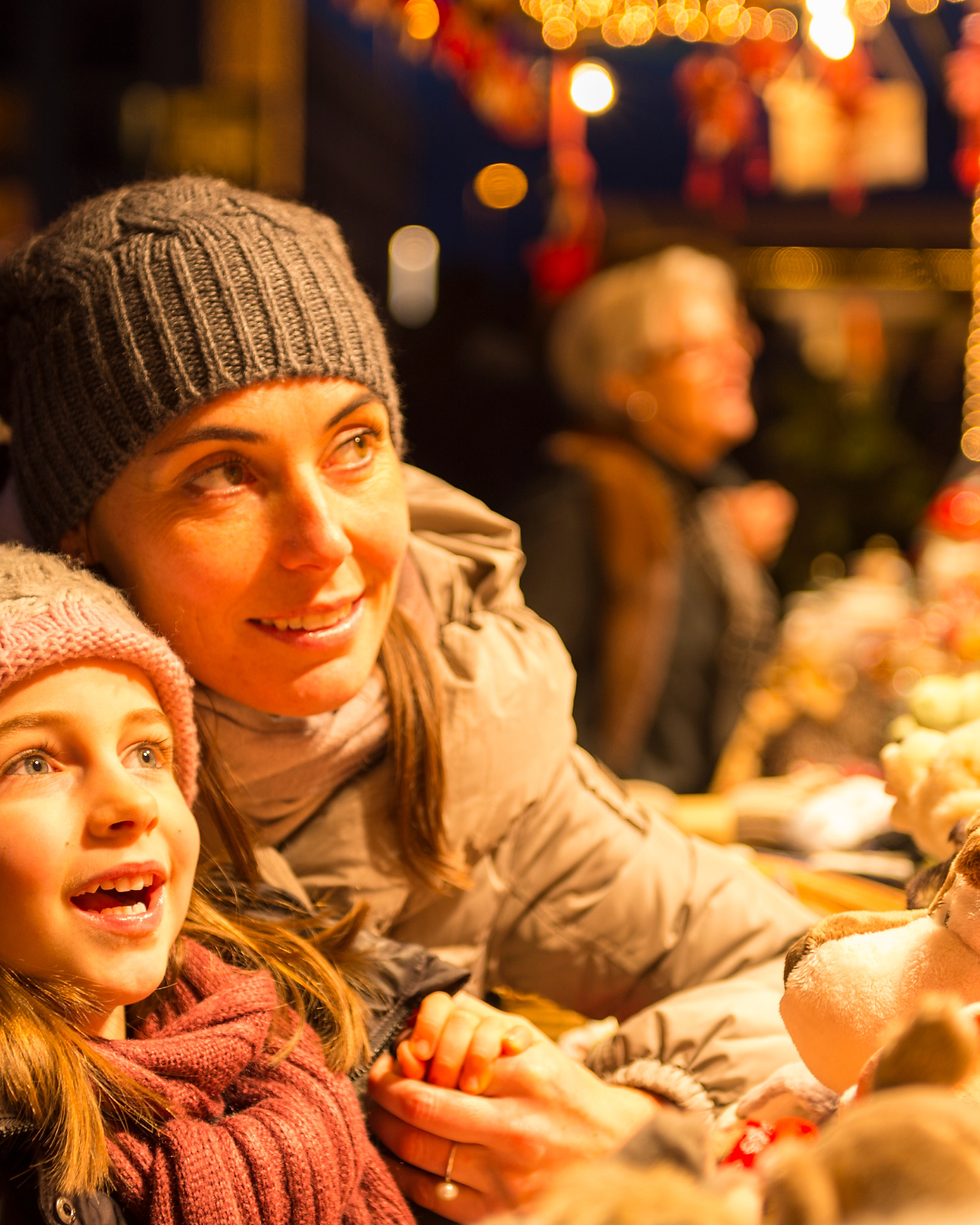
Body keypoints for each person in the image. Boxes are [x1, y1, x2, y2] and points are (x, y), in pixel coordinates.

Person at [0, 177, 812, 1219]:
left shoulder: (468, 738)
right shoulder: (60, 824)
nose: (325, 540)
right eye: (221, 474)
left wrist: (631, 1110)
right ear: (81, 534)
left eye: (353, 444)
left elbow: (811, 977)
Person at [0, 542, 552, 1224]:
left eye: (146, 752)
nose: (132, 804)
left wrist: (464, 1038)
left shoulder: (309, 996)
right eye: (31, 762)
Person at [515, 247, 797, 793]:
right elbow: (528, 714)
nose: (735, 360)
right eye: (697, 348)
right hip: (615, 840)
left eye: (734, 339)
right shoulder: (579, 504)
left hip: (690, 827)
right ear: (625, 382)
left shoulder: (694, 501)